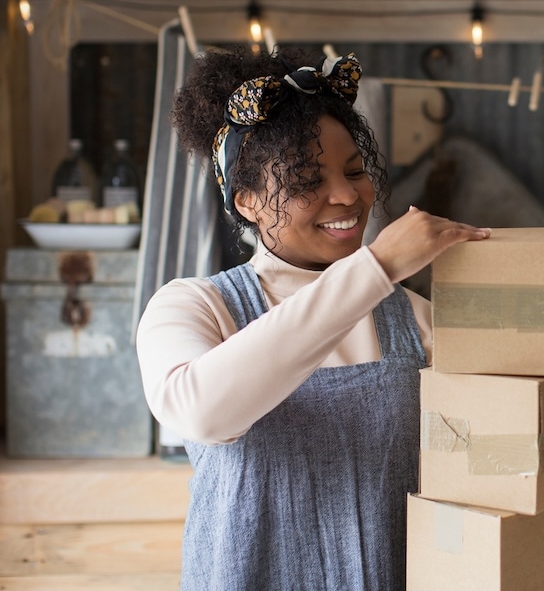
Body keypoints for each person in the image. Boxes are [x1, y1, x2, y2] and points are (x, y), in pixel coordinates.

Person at [135, 47, 490, 590]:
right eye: (306, 180)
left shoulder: (416, 319)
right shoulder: (192, 308)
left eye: (354, 171)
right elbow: (202, 412)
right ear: (247, 199)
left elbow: (489, 460)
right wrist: (380, 264)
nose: (348, 195)